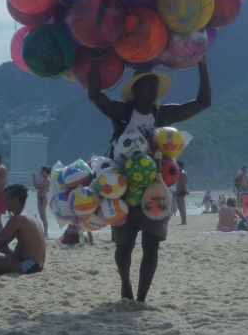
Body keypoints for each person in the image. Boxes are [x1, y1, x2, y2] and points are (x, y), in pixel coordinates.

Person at [87, 55, 211, 302]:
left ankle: (141, 298)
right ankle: (126, 287)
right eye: (146, 84)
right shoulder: (121, 112)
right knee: (124, 246)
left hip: (155, 188)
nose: (152, 88)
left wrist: (202, 65)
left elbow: (203, 102)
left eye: (155, 84)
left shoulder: (164, 115)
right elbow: (94, 95)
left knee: (151, 245)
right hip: (121, 188)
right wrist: (96, 61)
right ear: (135, 89)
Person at [0, 184, 45, 274]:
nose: (3, 202)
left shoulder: (19, 218)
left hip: (29, 266)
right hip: (35, 264)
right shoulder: (25, 215)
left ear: (16, 200)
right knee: (2, 248)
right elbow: (2, 242)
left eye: (6, 198)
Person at [32, 166, 51, 238]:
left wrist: (34, 177)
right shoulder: (45, 179)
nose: (40, 172)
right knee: (42, 217)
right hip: (41, 199)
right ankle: (45, 233)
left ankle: (45, 233)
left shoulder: (46, 180)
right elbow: (37, 187)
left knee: (43, 217)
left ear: (46, 172)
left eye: (42, 171)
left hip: (42, 199)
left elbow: (36, 186)